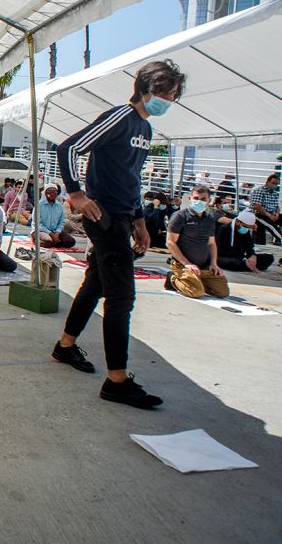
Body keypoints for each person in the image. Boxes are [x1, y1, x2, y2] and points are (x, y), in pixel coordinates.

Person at [52, 59, 186, 409]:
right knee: (122, 299)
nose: (169, 101)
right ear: (146, 89)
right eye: (166, 94)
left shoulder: (146, 129)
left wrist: (140, 220)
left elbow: (132, 178)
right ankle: (117, 381)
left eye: (173, 96)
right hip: (104, 216)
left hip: (124, 216)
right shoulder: (120, 118)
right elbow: (68, 148)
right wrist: (76, 193)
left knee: (96, 284)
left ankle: (65, 346)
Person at [165, 185, 228, 298]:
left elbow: (211, 243)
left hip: (204, 266)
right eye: (196, 198)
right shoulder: (180, 216)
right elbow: (170, 242)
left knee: (222, 292)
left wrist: (214, 263)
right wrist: (187, 263)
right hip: (183, 264)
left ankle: (196, 280)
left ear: (209, 201)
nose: (199, 201)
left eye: (203, 199)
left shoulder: (210, 218)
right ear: (190, 199)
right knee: (196, 292)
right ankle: (173, 278)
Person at [31, 183, 75, 249]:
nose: (53, 193)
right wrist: (51, 234)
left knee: (71, 242)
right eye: (50, 191)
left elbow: (62, 221)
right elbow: (38, 223)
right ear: (45, 193)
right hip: (40, 230)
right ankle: (37, 240)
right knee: (47, 240)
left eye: (54, 192)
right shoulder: (39, 205)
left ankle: (52, 242)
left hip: (54, 231)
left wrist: (57, 233)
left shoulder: (59, 205)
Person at [248, 173, 280, 245]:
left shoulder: (275, 193)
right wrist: (269, 215)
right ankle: (280, 238)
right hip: (258, 214)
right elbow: (257, 206)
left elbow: (277, 206)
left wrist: (277, 214)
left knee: (261, 234)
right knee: (271, 226)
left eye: (276, 184)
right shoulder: (259, 191)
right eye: (273, 183)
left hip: (270, 214)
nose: (275, 185)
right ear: (267, 182)